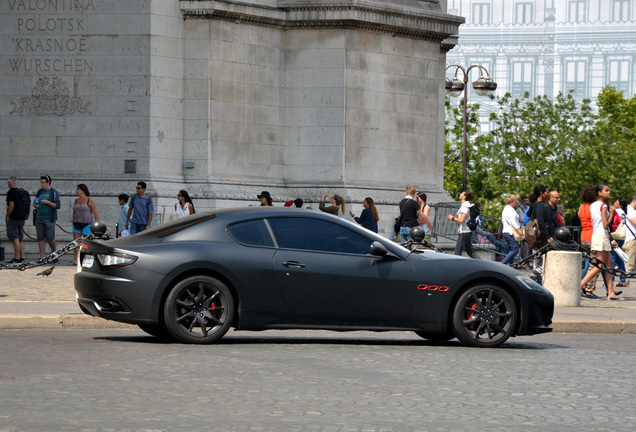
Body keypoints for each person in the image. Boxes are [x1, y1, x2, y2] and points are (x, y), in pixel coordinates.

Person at [580, 184, 622, 300]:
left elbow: (594, 224)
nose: (609, 192)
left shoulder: (592, 205)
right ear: (599, 192)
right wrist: (612, 214)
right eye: (606, 191)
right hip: (602, 235)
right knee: (599, 265)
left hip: (596, 234)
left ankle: (611, 292)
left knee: (609, 265)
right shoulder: (604, 206)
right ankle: (580, 285)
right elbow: (605, 224)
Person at [578, 184, 600, 297]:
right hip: (593, 236)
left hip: (583, 237)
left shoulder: (581, 207)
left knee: (590, 263)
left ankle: (584, 285)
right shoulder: (594, 207)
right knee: (595, 265)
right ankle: (588, 288)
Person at [527, 184, 551, 283]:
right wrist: (548, 236)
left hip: (535, 237)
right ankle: (532, 278)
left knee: (537, 261)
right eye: (546, 192)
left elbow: (529, 214)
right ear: (541, 193)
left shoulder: (534, 204)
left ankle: (537, 284)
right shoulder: (540, 205)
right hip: (540, 237)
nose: (548, 194)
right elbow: (541, 222)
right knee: (543, 263)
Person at [34, 175, 61, 261]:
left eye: (43, 182)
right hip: (39, 217)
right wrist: (35, 205)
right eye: (40, 182)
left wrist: (48, 202)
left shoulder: (53, 192)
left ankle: (54, 253)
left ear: (48, 183)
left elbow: (57, 205)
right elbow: (35, 202)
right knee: (40, 238)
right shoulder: (39, 191)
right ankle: (42, 256)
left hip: (49, 218)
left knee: (50, 238)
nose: (41, 184)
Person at [70, 184, 99, 266]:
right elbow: (74, 212)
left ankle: (87, 259)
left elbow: (95, 212)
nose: (76, 191)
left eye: (78, 189)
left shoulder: (89, 200)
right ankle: (76, 259)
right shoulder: (76, 200)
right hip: (76, 223)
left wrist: (97, 224)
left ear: (83, 190)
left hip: (86, 223)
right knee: (76, 242)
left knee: (86, 243)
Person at [448, 190, 477, 258]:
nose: (460, 194)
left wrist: (452, 218)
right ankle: (482, 263)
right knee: (471, 252)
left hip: (464, 232)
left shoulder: (464, 207)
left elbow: (461, 220)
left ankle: (457, 266)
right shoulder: (468, 205)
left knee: (457, 252)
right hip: (467, 231)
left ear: (464, 197)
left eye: (461, 193)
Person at [5, 176, 27, 264]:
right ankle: (22, 257)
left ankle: (16, 258)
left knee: (15, 238)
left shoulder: (11, 193)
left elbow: (11, 205)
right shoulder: (21, 192)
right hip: (21, 218)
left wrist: (7, 215)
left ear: (10, 183)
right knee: (20, 239)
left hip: (13, 218)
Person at [610, 197, 628, 288]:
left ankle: (610, 279)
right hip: (621, 237)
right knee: (620, 259)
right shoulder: (624, 212)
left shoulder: (617, 211)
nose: (614, 203)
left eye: (616, 202)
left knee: (612, 258)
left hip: (615, 237)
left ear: (620, 205)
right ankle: (623, 280)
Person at [501, 195, 524, 266]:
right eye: (516, 201)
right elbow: (512, 221)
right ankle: (502, 264)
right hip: (510, 232)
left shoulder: (507, 209)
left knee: (511, 249)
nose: (518, 202)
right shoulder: (510, 210)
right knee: (515, 249)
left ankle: (511, 265)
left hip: (507, 231)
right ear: (513, 201)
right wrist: (519, 230)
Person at [623, 194, 636, 275]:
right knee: (628, 265)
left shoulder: (626, 209)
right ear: (634, 201)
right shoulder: (630, 210)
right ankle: (623, 282)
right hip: (630, 240)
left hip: (626, 239)